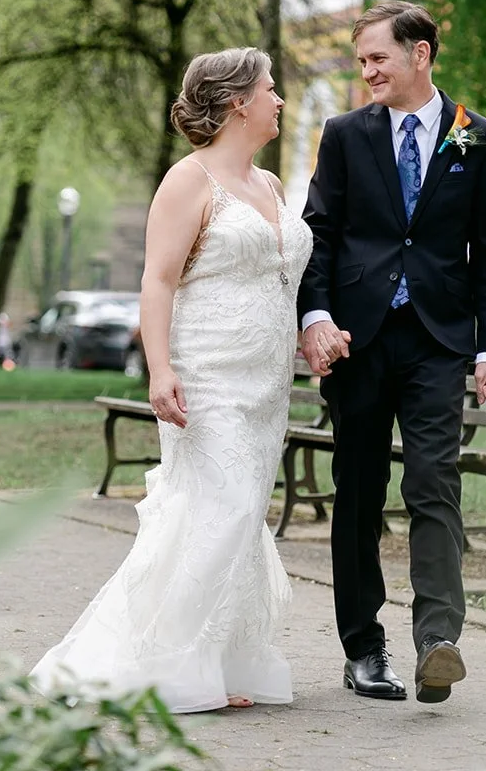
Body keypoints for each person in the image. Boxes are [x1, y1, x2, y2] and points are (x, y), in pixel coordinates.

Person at [31, 47, 311, 713]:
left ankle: (215, 661)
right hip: (205, 375)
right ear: (239, 102)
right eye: (271, 90)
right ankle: (155, 660)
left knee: (240, 516)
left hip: (266, 381)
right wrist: (160, 370)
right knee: (222, 507)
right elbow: (157, 281)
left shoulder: (269, 186)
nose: (280, 101)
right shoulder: (187, 182)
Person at [298, 1, 486, 705]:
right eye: (361, 61)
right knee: (359, 492)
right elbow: (320, 234)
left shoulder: (476, 140)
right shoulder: (343, 136)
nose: (366, 73)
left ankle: (437, 641)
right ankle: (363, 648)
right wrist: (317, 314)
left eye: (377, 59)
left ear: (419, 55)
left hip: (437, 341)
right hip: (358, 341)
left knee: (433, 481)